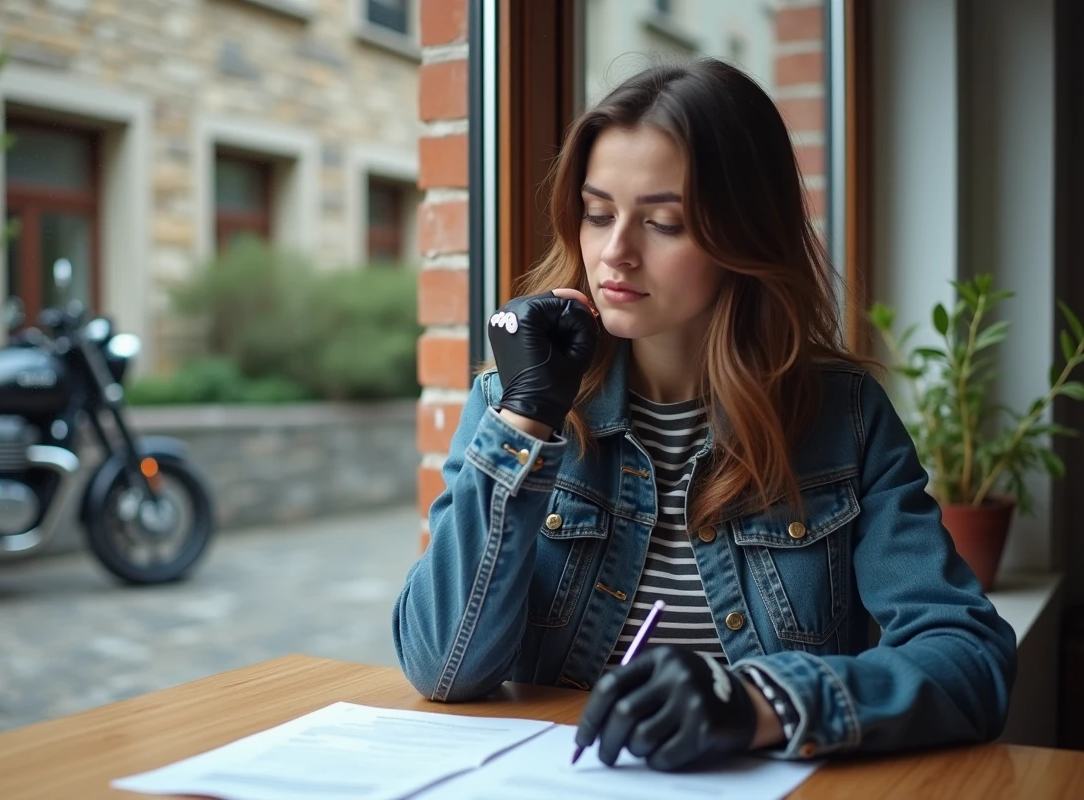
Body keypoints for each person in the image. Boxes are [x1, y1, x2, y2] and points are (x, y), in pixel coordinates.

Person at [392, 58, 1016, 771]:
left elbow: (971, 660)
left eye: (664, 223)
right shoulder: (515, 403)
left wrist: (759, 703)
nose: (615, 252)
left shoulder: (843, 416)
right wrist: (528, 417)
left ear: (744, 238)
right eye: (598, 214)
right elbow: (443, 668)